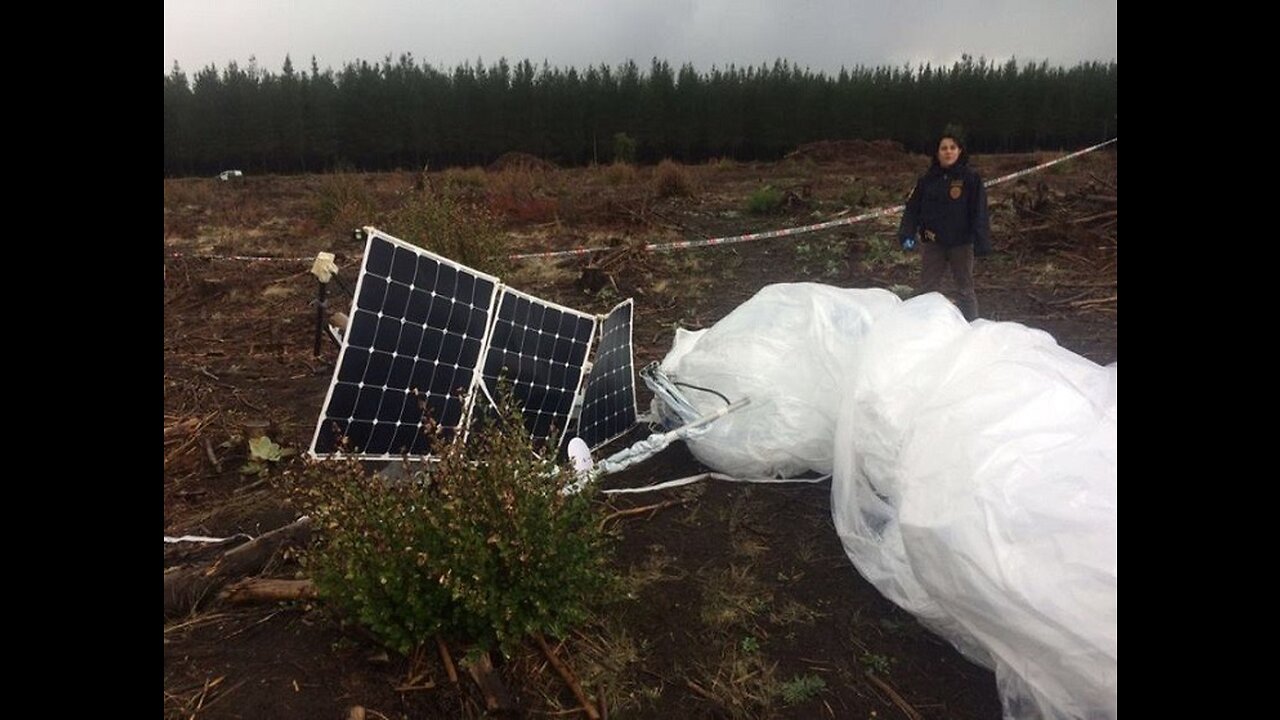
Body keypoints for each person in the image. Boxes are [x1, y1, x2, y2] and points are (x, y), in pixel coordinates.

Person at [898, 132, 992, 321]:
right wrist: (907, 232)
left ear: (959, 151)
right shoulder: (927, 180)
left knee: (965, 290)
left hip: (961, 243)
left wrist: (982, 239)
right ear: (937, 152)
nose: (948, 152)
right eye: (944, 148)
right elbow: (912, 208)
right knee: (927, 289)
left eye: (952, 148)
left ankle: (971, 328)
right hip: (933, 242)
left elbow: (979, 210)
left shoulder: (970, 179)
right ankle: (922, 326)